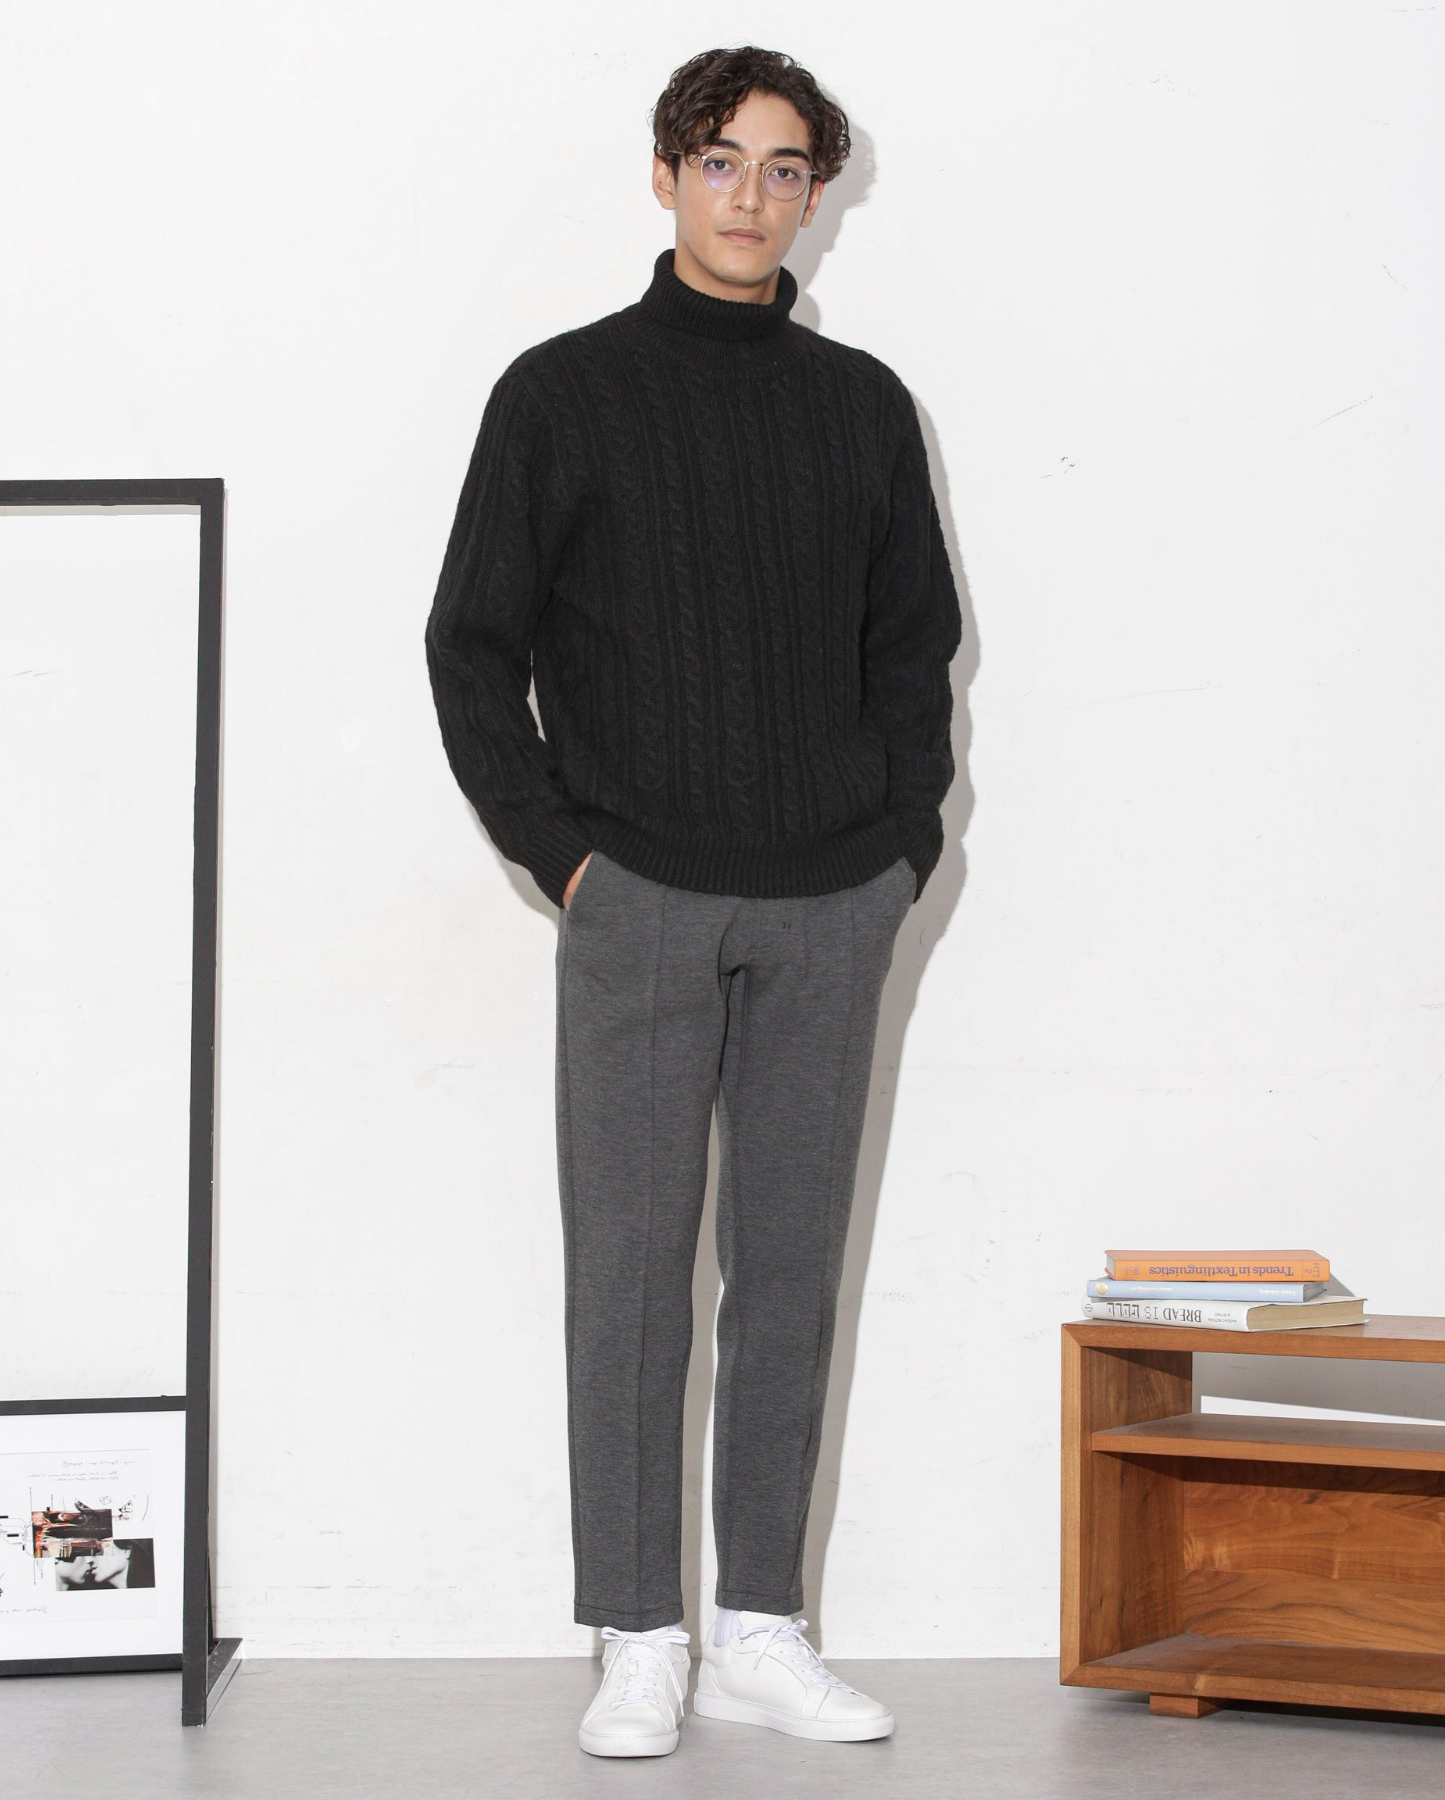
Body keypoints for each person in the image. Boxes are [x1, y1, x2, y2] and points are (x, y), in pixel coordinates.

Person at [425, 44, 961, 1758]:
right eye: (721, 160)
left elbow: (915, 652)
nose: (752, 195)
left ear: (817, 196)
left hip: (830, 901)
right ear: (664, 177)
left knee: (791, 1273)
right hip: (640, 896)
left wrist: (899, 851)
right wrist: (566, 858)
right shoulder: (561, 393)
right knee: (634, 1278)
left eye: (786, 168)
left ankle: (759, 1630)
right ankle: (637, 1635)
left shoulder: (862, 408)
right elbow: (470, 644)